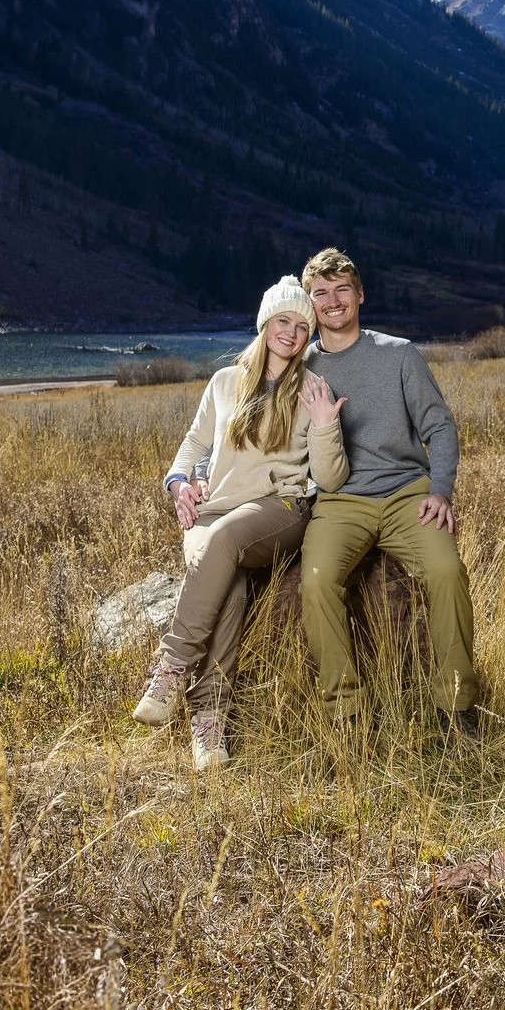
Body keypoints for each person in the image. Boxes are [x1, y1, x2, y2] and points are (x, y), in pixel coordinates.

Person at [132, 276, 347, 769]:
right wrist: (180, 484)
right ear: (264, 322)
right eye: (283, 321)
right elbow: (191, 447)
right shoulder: (224, 382)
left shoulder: (312, 389)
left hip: (281, 509)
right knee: (226, 581)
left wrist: (325, 423)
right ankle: (207, 723)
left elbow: (331, 478)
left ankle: (170, 668)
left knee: (224, 543)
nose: (291, 334)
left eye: (301, 326)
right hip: (216, 512)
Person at [296, 247, 483, 732]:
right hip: (339, 502)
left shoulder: (399, 354)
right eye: (321, 294)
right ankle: (347, 712)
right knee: (315, 582)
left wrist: (440, 491)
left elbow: (439, 427)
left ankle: (456, 707)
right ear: (309, 304)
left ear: (360, 294)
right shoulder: (302, 367)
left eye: (342, 290)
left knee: (445, 571)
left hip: (407, 493)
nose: (333, 301)